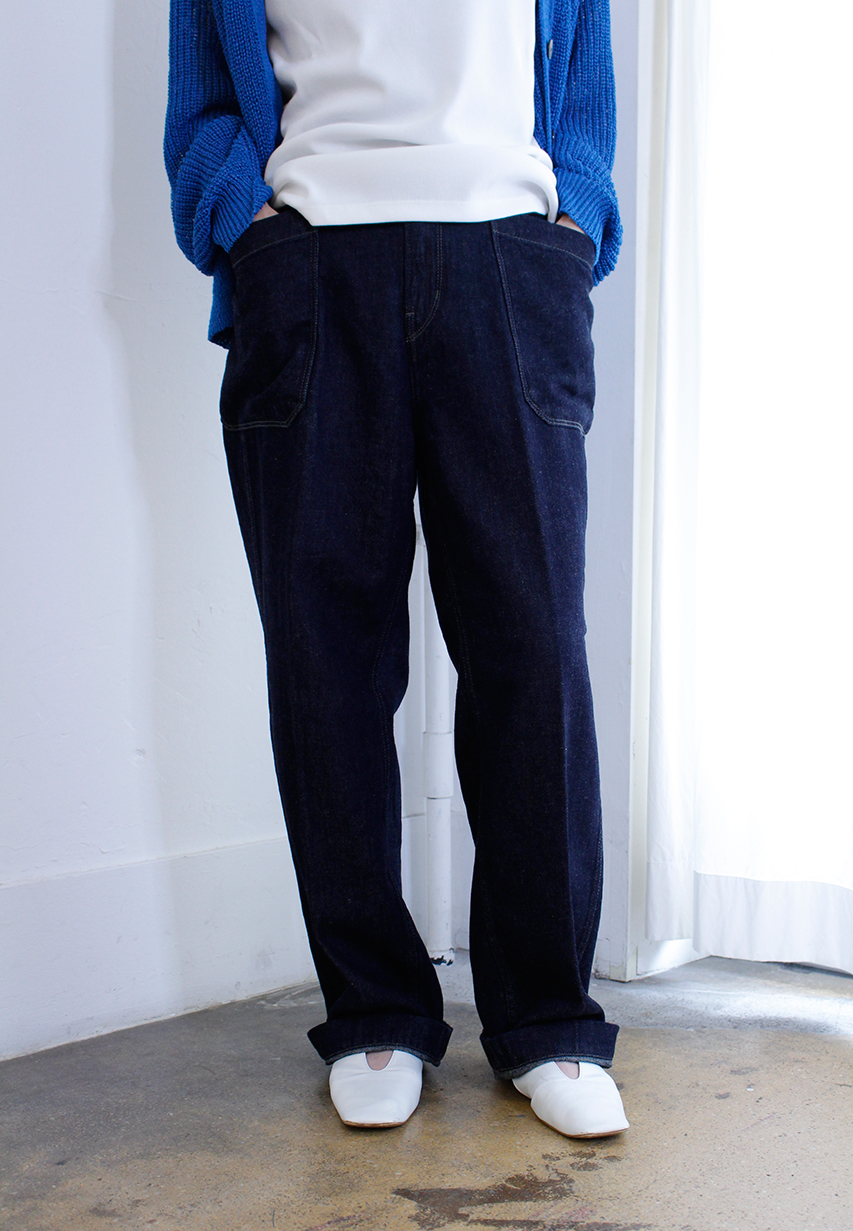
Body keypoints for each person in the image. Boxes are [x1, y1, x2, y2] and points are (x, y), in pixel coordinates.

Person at [164, 0, 629, 1139]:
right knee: (326, 662)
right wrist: (242, 221)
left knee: (533, 650)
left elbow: (580, 88)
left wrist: (573, 217)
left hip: (510, 256)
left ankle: (549, 1018)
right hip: (308, 261)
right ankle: (373, 1008)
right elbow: (204, 97)